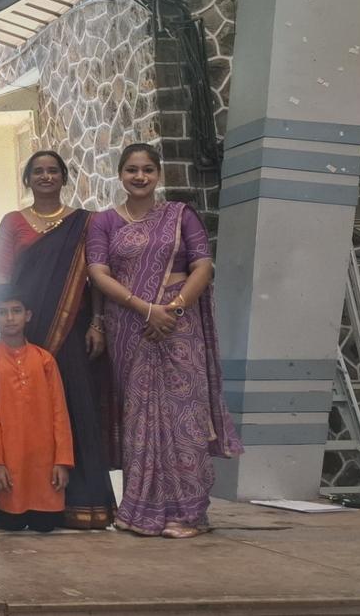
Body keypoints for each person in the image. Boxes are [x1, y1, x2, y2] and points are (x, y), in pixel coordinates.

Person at [87, 143, 242, 539]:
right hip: (129, 327)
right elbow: (98, 273)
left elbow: (202, 266)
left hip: (179, 326)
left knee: (183, 415)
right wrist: (145, 309)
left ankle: (189, 515)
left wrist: (172, 310)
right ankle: (141, 509)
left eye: (148, 170)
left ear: (158, 174)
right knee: (141, 418)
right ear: (120, 175)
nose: (140, 177)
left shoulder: (180, 215)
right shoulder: (104, 221)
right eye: (132, 170)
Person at [0, 150, 116, 529]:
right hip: (27, 329)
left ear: (64, 177)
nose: (46, 176)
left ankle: (84, 502)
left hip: (72, 327)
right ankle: (26, 498)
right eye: (38, 171)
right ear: (27, 179)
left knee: (75, 408)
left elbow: (97, 277)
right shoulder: (13, 222)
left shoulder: (86, 222)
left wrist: (97, 323)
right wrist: (4, 327)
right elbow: (3, 279)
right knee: (27, 413)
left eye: (53, 171)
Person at [0, 284, 73, 533]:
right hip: (9, 464)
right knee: (11, 523)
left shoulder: (44, 359)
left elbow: (60, 413)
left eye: (16, 310)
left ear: (28, 315)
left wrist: (62, 462)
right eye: (2, 312)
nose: (10, 318)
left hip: (45, 462)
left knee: (46, 525)